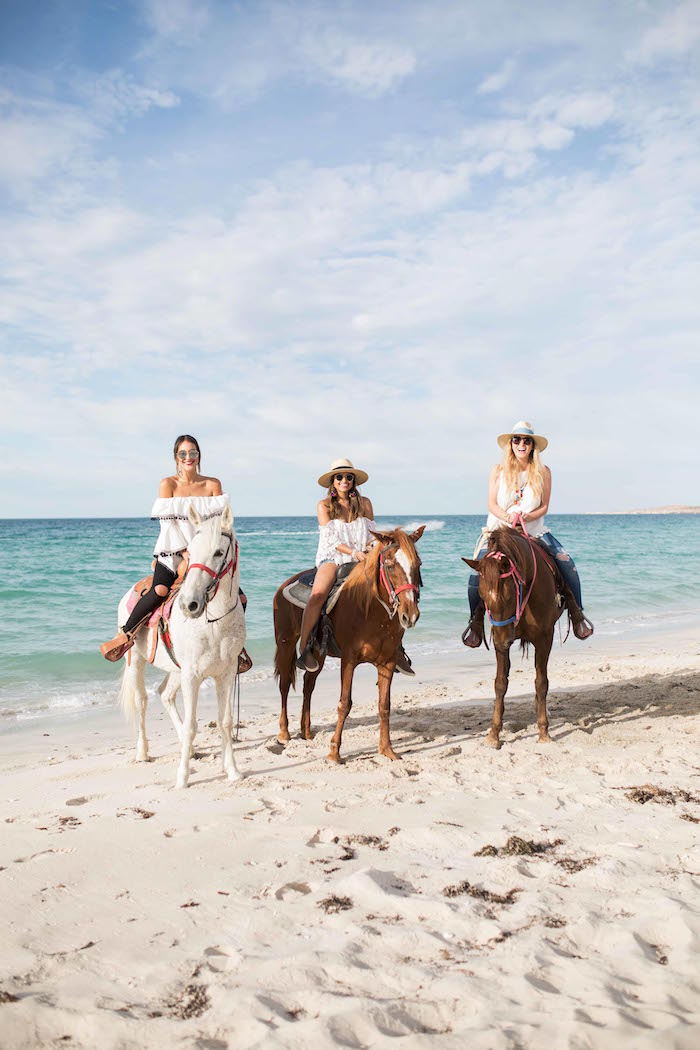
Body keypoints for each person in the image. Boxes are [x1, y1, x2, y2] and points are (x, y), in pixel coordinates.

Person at [100, 434, 253, 671]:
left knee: (237, 597)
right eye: (183, 454)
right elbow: (168, 525)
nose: (188, 457)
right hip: (174, 551)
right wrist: (184, 553)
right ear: (176, 457)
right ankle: (126, 635)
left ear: (199, 456)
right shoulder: (168, 484)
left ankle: (235, 648)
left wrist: (209, 550)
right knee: (160, 590)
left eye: (193, 453)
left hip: (204, 553)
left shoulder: (213, 485)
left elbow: (219, 525)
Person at [462, 421, 593, 648]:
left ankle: (577, 613)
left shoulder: (544, 472)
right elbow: (491, 504)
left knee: (567, 564)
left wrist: (526, 519)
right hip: (498, 532)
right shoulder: (498, 470)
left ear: (533, 446)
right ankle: (475, 622)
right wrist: (507, 517)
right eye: (517, 440)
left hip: (533, 531)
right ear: (510, 444)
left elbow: (544, 506)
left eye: (527, 440)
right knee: (476, 576)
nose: (521, 444)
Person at [296, 458, 414, 675]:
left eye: (349, 477)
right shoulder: (323, 506)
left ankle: (396, 648)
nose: (344, 480)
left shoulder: (365, 503)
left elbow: (371, 533)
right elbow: (330, 540)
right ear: (333, 481)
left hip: (363, 556)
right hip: (333, 557)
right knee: (318, 594)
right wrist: (353, 552)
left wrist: (370, 550)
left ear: (353, 481)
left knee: (390, 588)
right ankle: (305, 648)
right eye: (339, 477)